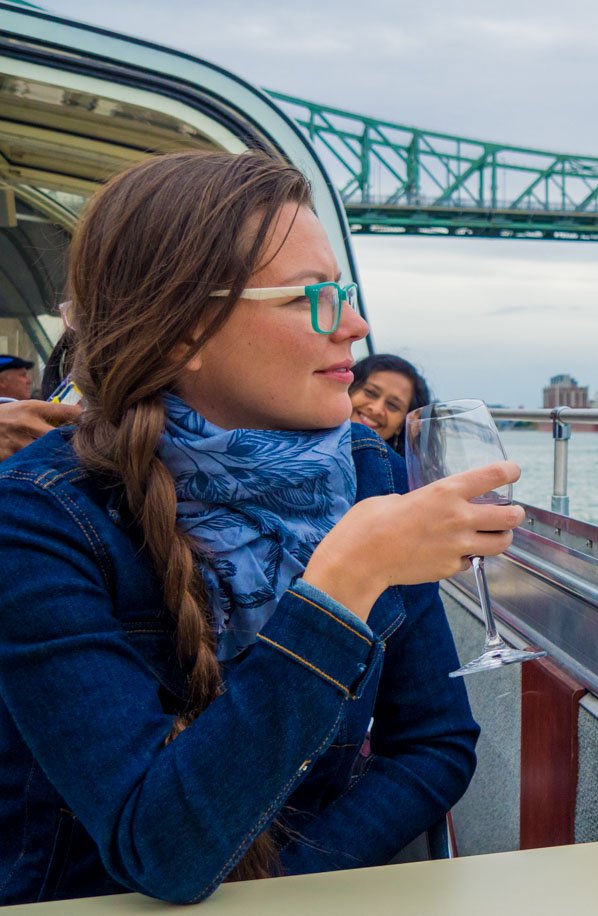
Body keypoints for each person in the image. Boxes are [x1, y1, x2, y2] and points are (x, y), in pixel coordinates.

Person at [0, 150, 525, 905]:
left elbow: (435, 744)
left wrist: (283, 894)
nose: (354, 324)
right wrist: (341, 585)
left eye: (341, 291)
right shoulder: (40, 517)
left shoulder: (364, 467)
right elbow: (159, 851)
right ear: (184, 329)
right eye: (312, 296)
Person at [349, 354, 432, 453]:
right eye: (370, 393)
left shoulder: (404, 468)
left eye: (393, 405)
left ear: (402, 426)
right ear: (348, 389)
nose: (377, 409)